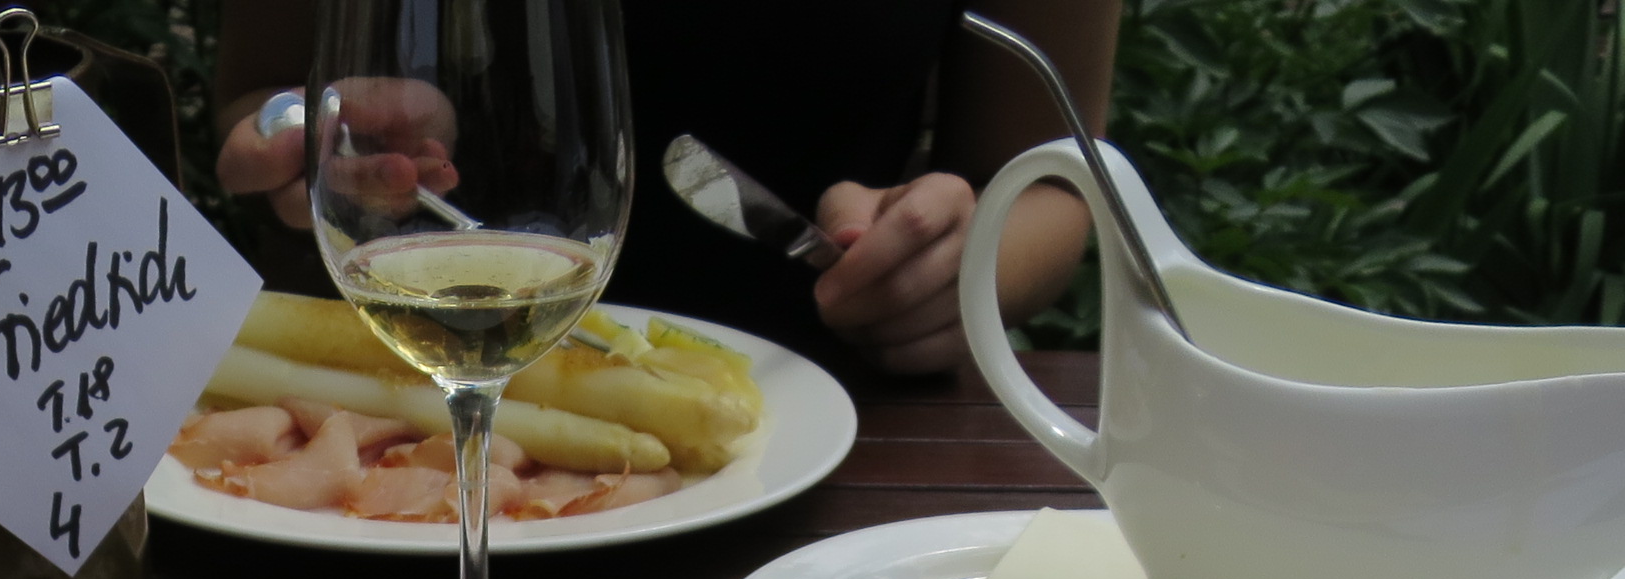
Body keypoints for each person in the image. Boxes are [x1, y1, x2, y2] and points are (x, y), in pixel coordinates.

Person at [211, 0, 1121, 373]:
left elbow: (1057, 175)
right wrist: (324, 135)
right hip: (386, 409)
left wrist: (960, 267)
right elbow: (260, 103)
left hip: (829, 432)